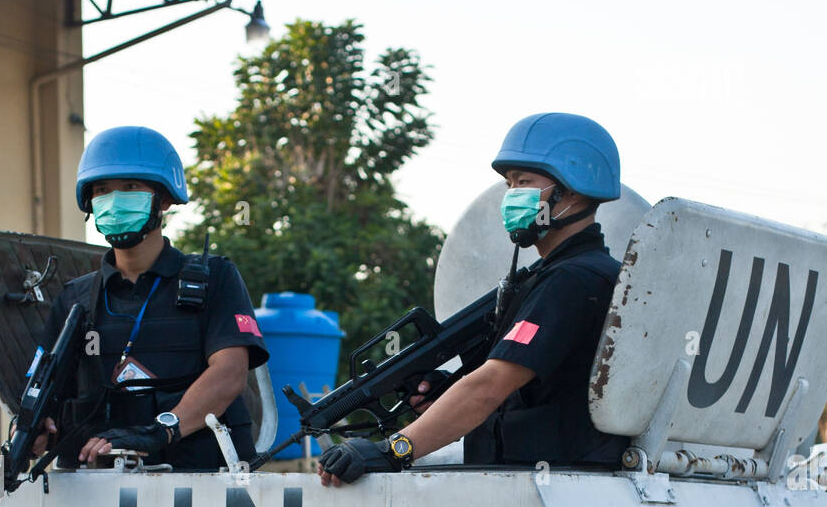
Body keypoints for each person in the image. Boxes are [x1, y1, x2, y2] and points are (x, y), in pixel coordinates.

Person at [318, 112, 626, 487]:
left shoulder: (574, 279)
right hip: (547, 484)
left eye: (525, 182)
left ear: (573, 189)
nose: (512, 196)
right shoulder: (567, 274)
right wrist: (448, 392)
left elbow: (491, 385)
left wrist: (393, 449)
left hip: (553, 489)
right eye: (510, 184)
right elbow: (531, 388)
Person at [33, 125, 269, 471]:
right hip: (94, 500)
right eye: (102, 190)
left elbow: (230, 372)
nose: (114, 200)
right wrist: (37, 428)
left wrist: (162, 430)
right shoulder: (74, 299)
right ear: (89, 203)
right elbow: (47, 389)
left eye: (130, 187)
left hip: (203, 488)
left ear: (164, 199)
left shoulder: (215, 277)